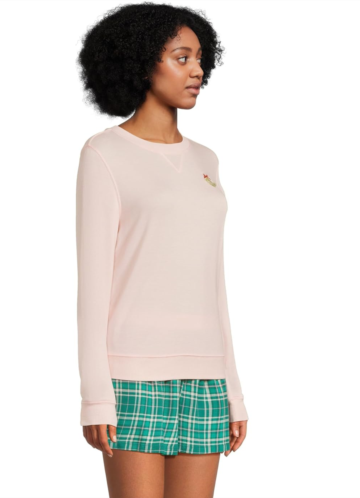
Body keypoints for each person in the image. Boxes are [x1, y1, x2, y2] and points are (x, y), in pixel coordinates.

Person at [75, 3, 249, 497]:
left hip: (206, 378)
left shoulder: (206, 160)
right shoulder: (105, 153)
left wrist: (233, 390)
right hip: (132, 378)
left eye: (199, 59)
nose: (197, 71)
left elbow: (213, 281)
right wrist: (96, 396)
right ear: (140, 63)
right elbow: (93, 284)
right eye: (181, 58)